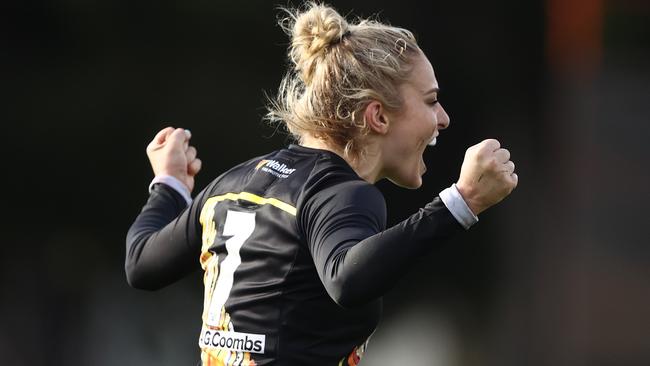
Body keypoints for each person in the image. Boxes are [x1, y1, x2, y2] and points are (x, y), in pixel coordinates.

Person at [125, 3, 518, 365]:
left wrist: (169, 186)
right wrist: (461, 202)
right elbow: (347, 279)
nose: (444, 118)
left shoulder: (233, 182)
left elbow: (141, 262)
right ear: (378, 117)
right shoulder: (344, 195)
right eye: (431, 100)